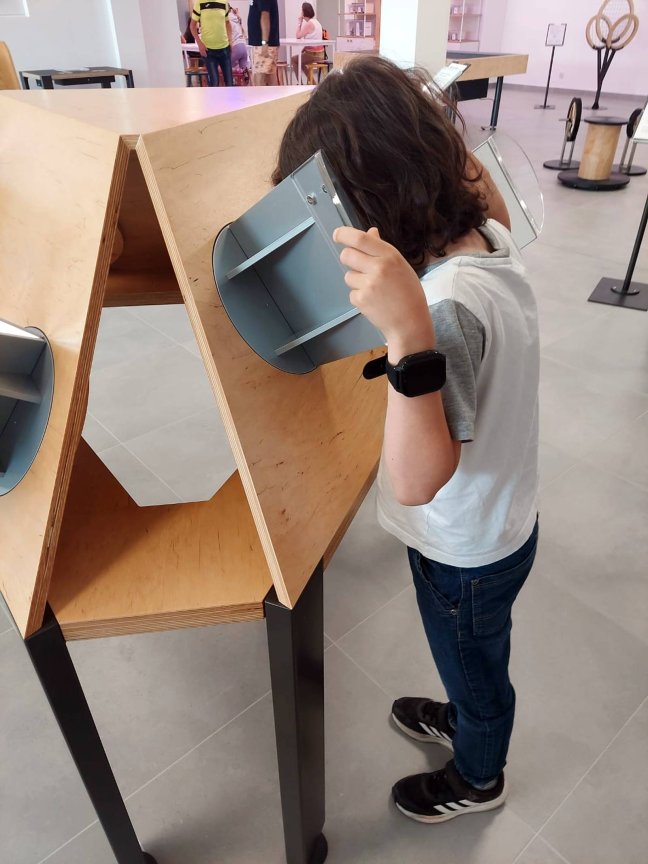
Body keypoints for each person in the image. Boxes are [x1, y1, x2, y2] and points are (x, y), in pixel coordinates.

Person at [272, 56, 539, 825]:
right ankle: (467, 712)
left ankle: (479, 773)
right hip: (504, 520)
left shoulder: (443, 312)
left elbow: (417, 479)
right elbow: (476, 183)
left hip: (465, 550)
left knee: (474, 664)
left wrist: (405, 337)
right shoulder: (487, 236)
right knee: (475, 652)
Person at [190, 0, 234, 87]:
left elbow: (227, 23)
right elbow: (192, 26)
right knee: (214, 83)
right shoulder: (199, 2)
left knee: (229, 82)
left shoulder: (224, 2)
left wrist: (230, 40)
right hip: (208, 50)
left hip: (224, 48)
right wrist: (200, 44)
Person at [247, 0, 280, 86]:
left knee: (260, 77)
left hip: (263, 43)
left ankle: (262, 95)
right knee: (269, 76)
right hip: (261, 43)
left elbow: (265, 15)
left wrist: (264, 42)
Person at [292, 2, 325, 83]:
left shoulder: (309, 24)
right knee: (300, 61)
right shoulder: (316, 22)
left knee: (294, 60)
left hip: (313, 54)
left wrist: (299, 22)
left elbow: (298, 36)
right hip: (320, 53)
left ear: (304, 12)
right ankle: (312, 82)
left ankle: (300, 84)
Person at [228, 6, 249, 73]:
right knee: (243, 73)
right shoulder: (236, 18)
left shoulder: (226, 19)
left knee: (224, 68)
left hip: (236, 47)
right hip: (244, 47)